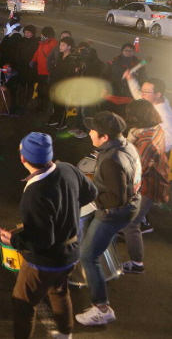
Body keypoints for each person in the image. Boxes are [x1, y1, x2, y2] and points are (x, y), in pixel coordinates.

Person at [0, 133, 97, 339]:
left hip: (45, 262)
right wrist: (66, 208)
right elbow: (91, 192)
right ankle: (64, 334)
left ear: (23, 158)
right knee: (59, 291)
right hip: (70, 253)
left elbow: (42, 241)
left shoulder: (35, 194)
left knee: (23, 303)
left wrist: (13, 239)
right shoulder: (67, 168)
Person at [76, 111, 141, 326]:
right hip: (130, 207)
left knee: (87, 255)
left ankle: (101, 308)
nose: (89, 133)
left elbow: (116, 198)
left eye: (93, 131)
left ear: (105, 137)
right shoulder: (126, 146)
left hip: (112, 213)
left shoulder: (111, 160)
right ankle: (108, 274)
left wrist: (92, 199)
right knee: (102, 244)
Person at [120, 100, 169, 274]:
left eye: (130, 115)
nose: (128, 118)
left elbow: (136, 170)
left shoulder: (146, 141)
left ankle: (136, 263)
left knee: (130, 225)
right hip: (156, 180)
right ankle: (144, 220)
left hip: (148, 186)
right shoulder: (156, 129)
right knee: (137, 215)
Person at [46, 37, 79, 129]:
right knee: (55, 102)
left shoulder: (72, 59)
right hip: (56, 82)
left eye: (63, 45)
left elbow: (71, 73)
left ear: (69, 47)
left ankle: (62, 121)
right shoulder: (60, 56)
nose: (60, 47)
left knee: (62, 103)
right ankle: (56, 118)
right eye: (60, 45)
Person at [30, 26, 57, 112]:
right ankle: (39, 106)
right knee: (40, 89)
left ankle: (44, 107)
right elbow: (38, 53)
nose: (42, 35)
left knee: (45, 91)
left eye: (43, 34)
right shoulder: (42, 43)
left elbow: (56, 56)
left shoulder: (54, 43)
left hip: (48, 71)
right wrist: (33, 60)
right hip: (40, 70)